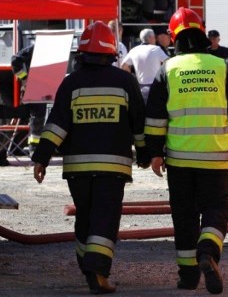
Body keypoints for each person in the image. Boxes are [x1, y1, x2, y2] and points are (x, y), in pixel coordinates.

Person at [31, 21, 147, 295]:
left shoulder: (71, 84)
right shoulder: (125, 82)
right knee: (104, 219)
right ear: (111, 53)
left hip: (78, 170)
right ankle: (97, 272)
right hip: (112, 168)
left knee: (85, 217)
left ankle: (87, 265)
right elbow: (139, 125)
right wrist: (145, 155)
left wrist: (41, 159)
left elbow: (57, 125)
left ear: (81, 54)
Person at [145, 7, 228, 294]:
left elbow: (155, 116)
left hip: (178, 161)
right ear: (202, 33)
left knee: (184, 216)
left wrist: (154, 152)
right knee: (217, 209)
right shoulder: (220, 66)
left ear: (174, 36)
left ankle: (188, 277)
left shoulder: (168, 69)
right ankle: (208, 251)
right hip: (214, 159)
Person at [11, 43, 47, 161]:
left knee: (37, 118)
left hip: (42, 88)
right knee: (36, 118)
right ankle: (34, 150)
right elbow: (15, 60)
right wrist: (25, 78)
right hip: (34, 88)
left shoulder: (49, 50)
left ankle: (34, 149)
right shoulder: (35, 48)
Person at [121, 28, 169, 103]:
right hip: (156, 87)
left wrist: (132, 78)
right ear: (150, 38)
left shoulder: (134, 50)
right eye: (154, 37)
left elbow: (124, 66)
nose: (155, 40)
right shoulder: (156, 49)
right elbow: (168, 62)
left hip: (140, 88)